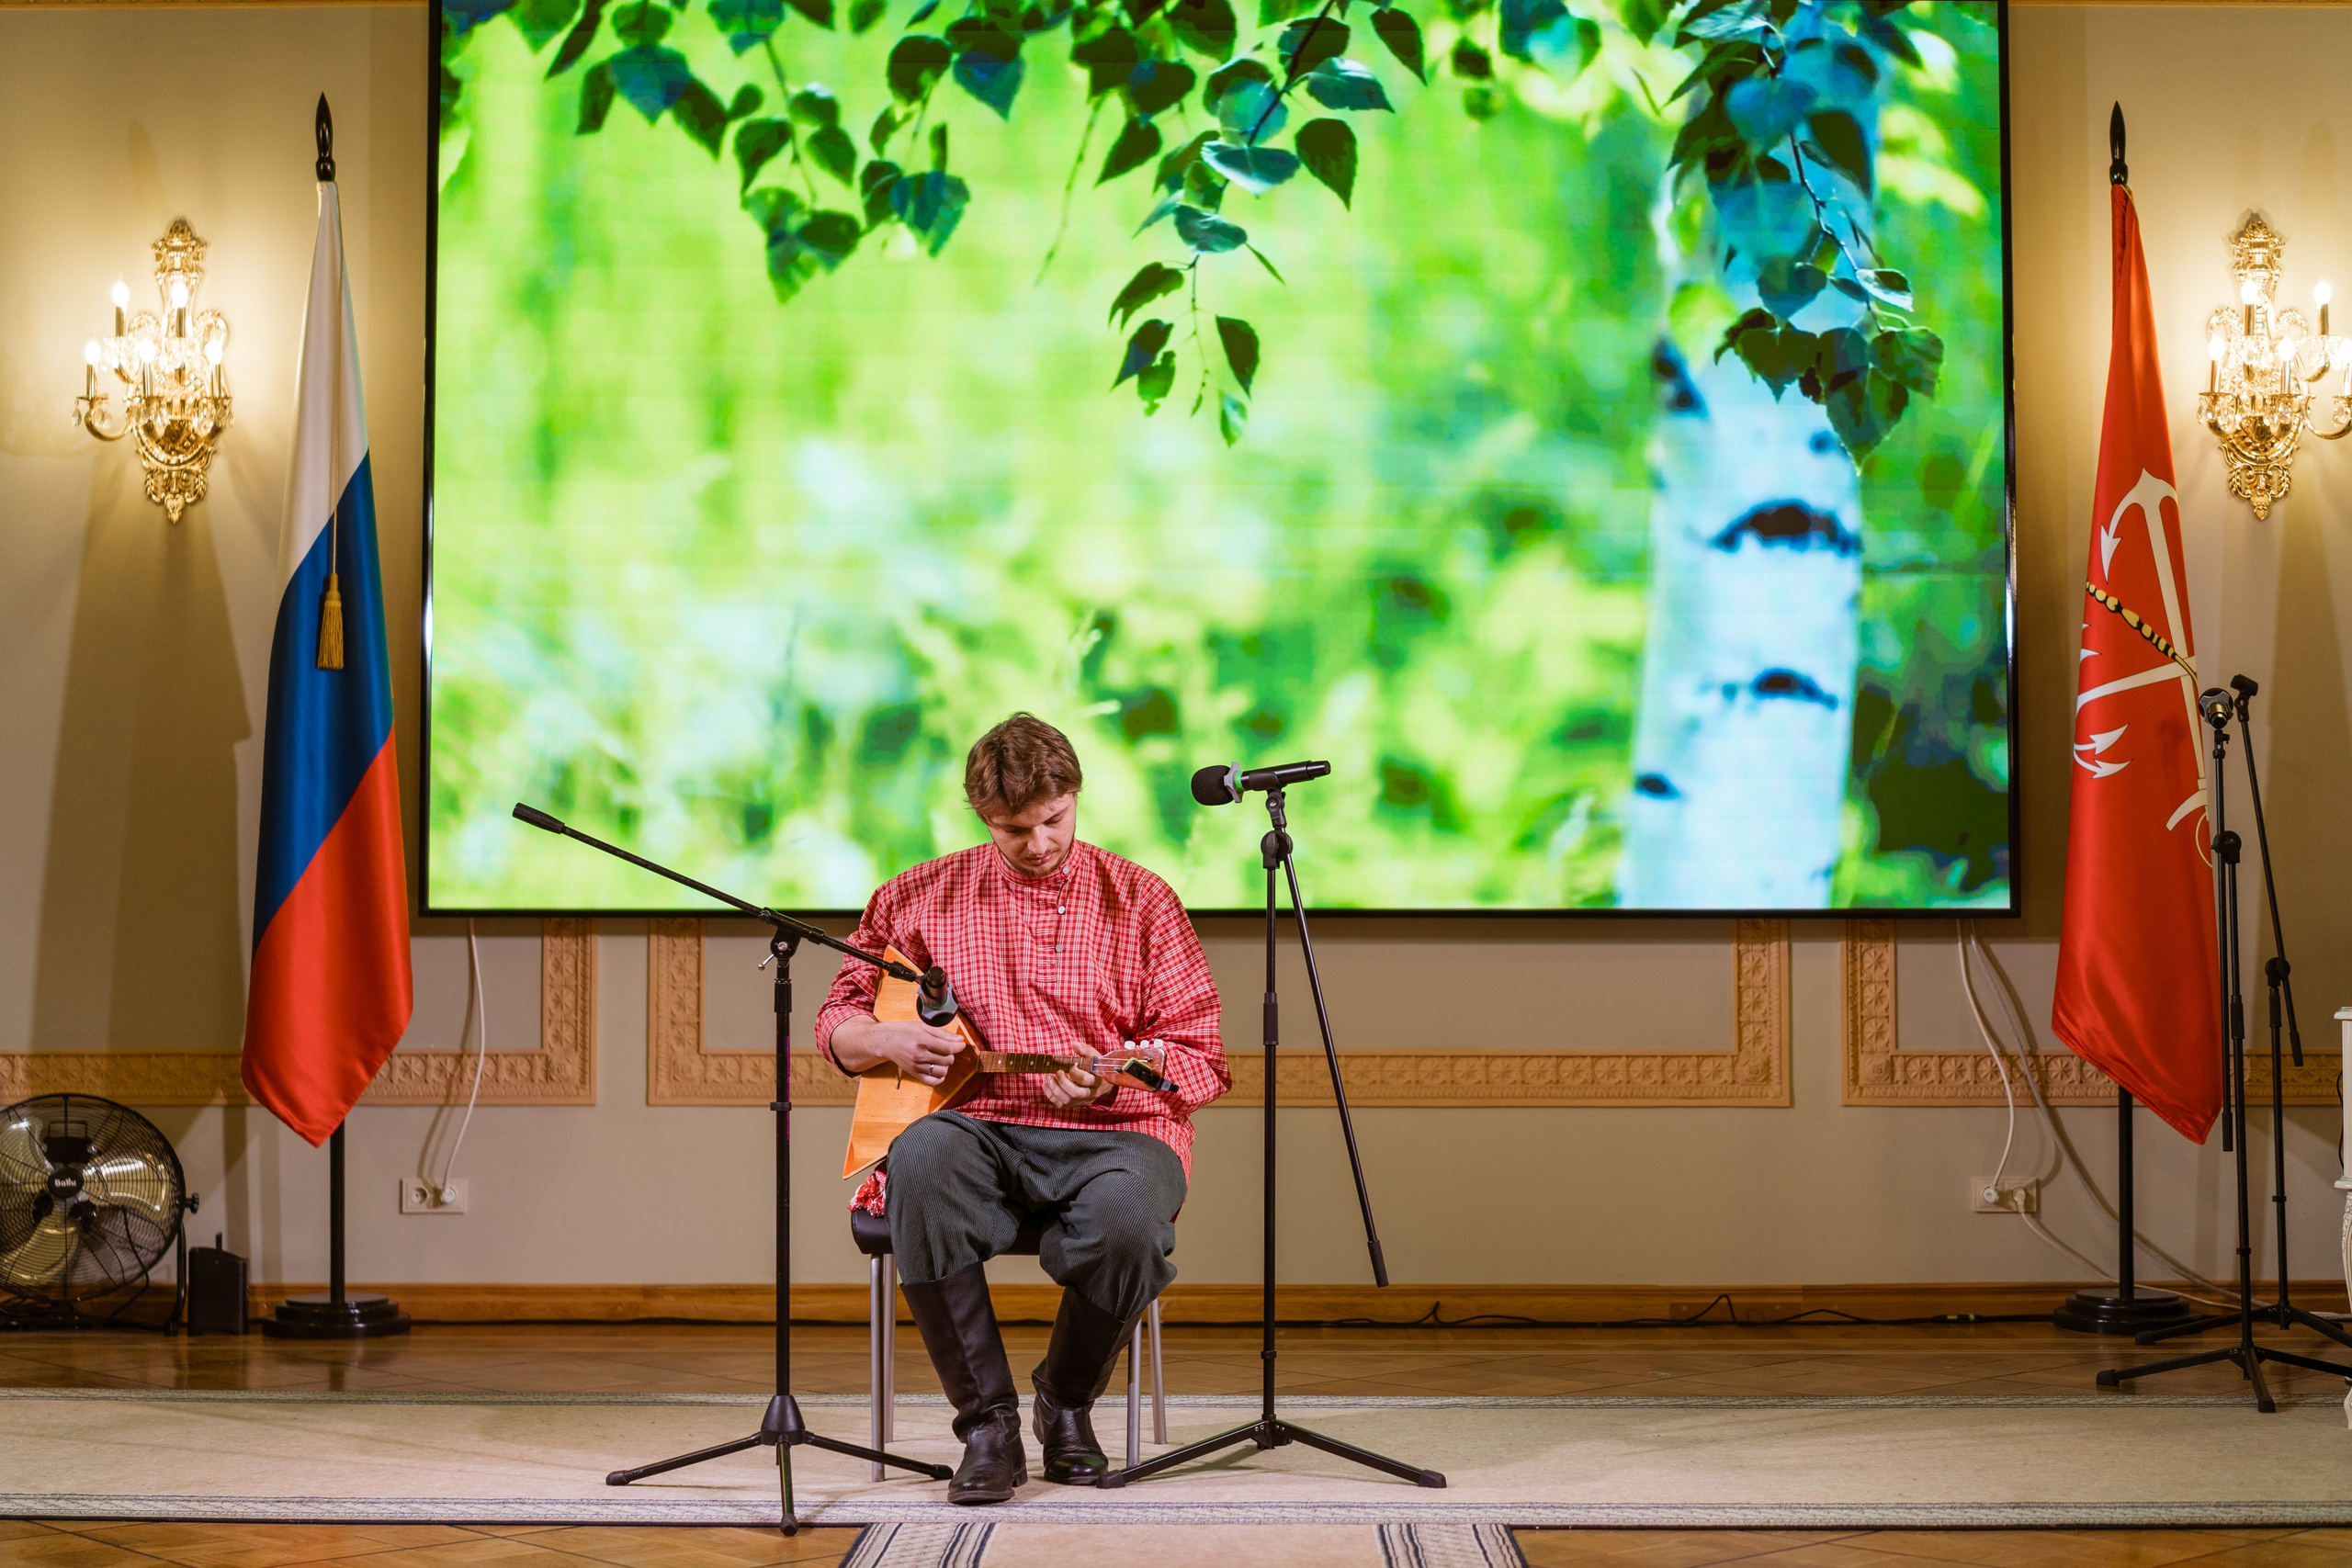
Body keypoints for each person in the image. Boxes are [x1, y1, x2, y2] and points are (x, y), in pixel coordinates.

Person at [816, 713, 1230, 1504]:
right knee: (920, 1161)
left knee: (1130, 1220)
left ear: (1075, 796)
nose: (1039, 843)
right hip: (978, 1126)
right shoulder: (917, 894)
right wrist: (885, 1040)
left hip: (1117, 1132)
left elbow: (1201, 1058)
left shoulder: (1143, 900)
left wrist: (1115, 1076)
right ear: (983, 817)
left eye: (1054, 820)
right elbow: (837, 1017)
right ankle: (986, 1424)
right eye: (1014, 830)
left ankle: (1065, 1403)